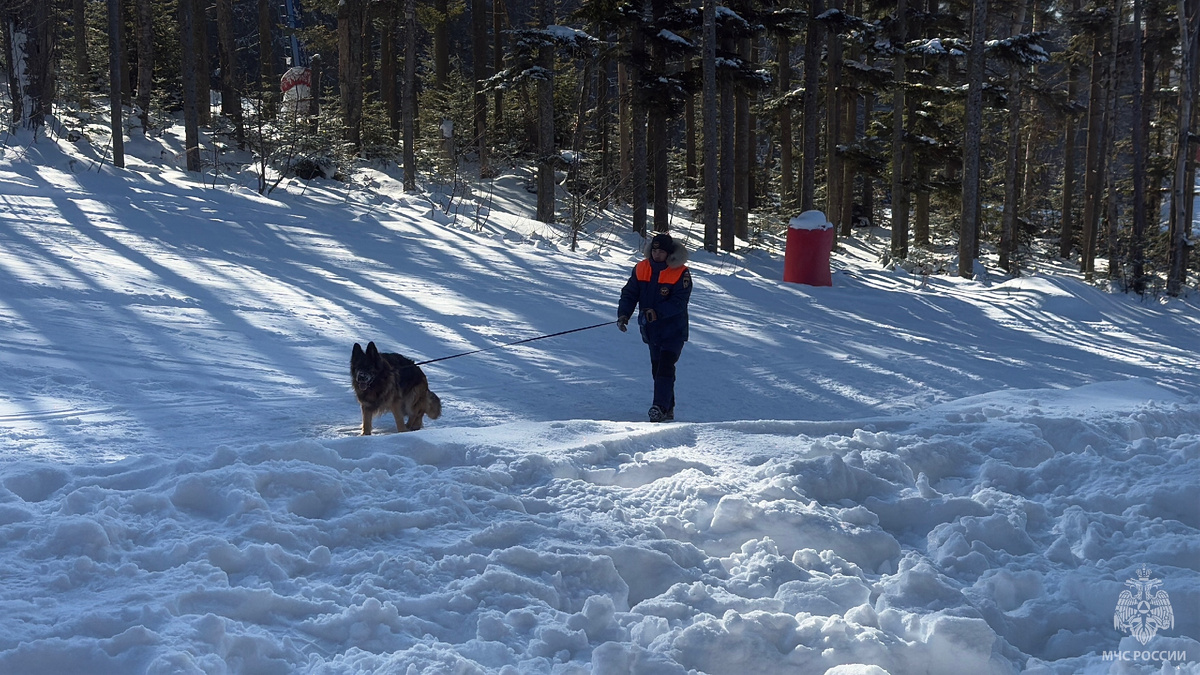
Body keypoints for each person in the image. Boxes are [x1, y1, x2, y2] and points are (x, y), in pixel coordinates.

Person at [617, 232, 692, 422]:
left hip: (673, 330)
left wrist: (658, 312)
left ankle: (658, 407)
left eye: (661, 251)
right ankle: (668, 408)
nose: (657, 254)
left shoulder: (680, 272)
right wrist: (624, 314)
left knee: (666, 368)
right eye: (655, 250)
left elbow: (679, 301)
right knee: (657, 370)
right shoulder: (641, 268)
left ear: (669, 253)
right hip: (651, 331)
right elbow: (630, 293)